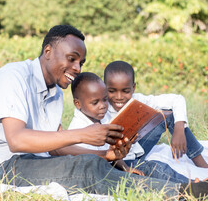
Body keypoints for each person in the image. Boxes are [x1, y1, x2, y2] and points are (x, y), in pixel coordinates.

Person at [0, 25, 208, 198]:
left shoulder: (55, 93)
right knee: (86, 170)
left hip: (29, 159)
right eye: (71, 59)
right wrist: (84, 133)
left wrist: (106, 153)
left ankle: (190, 183)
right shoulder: (13, 77)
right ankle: (184, 193)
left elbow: (55, 147)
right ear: (48, 51)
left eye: (81, 62)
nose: (78, 68)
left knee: (100, 163)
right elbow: (17, 140)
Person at [68, 72, 199, 183]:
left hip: (123, 158)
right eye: (95, 102)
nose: (103, 106)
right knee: (154, 168)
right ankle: (191, 185)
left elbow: (113, 155)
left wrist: (126, 163)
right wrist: (125, 169)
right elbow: (99, 162)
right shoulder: (78, 130)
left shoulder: (99, 115)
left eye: (104, 99)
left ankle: (198, 175)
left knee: (166, 117)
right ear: (77, 103)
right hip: (109, 172)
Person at [102, 60, 208, 170]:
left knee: (168, 115)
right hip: (119, 162)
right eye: (112, 91)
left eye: (125, 91)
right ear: (104, 88)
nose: (119, 96)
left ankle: (202, 164)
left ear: (133, 88)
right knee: (157, 169)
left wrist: (179, 128)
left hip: (137, 150)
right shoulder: (100, 108)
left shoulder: (138, 100)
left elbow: (177, 99)